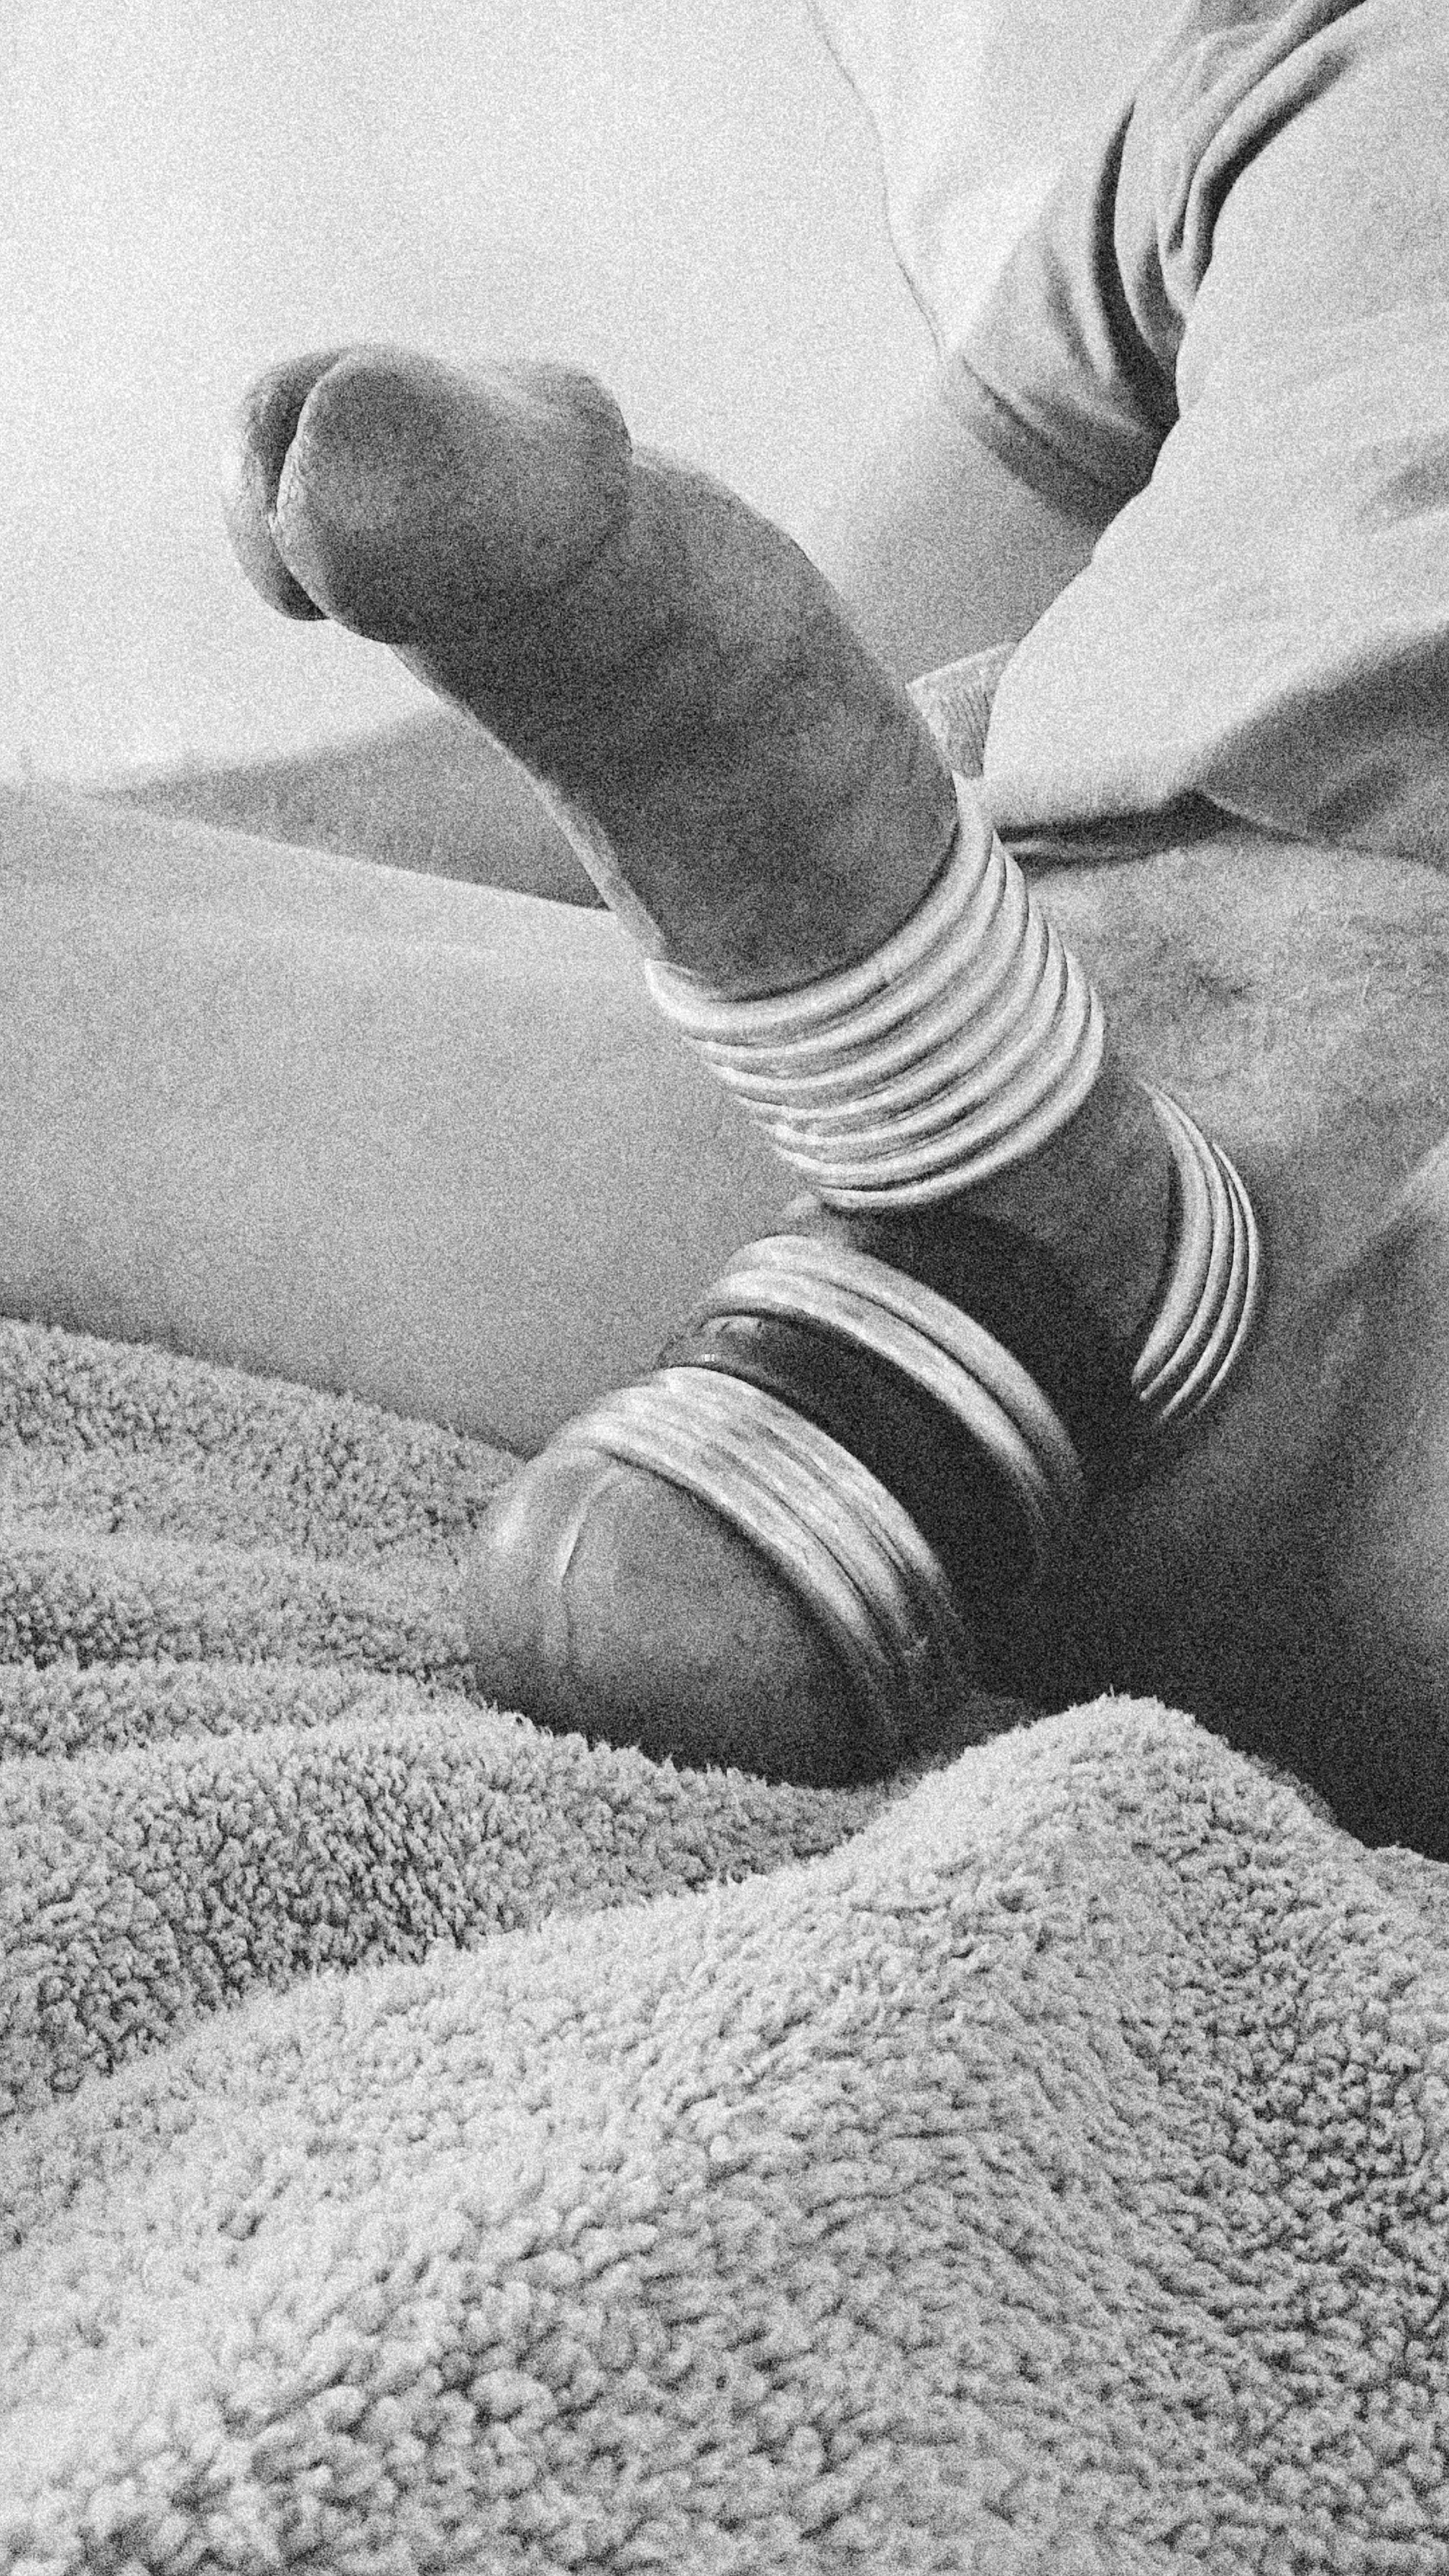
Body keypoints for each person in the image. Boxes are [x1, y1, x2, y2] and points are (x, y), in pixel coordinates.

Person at [9, 0, 1449, 1848]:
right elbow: (735, 726)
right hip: (928, 1077)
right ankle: (1084, 1233)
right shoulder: (1295, 71)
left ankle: (1168, 1287)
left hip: (1058, 1163)